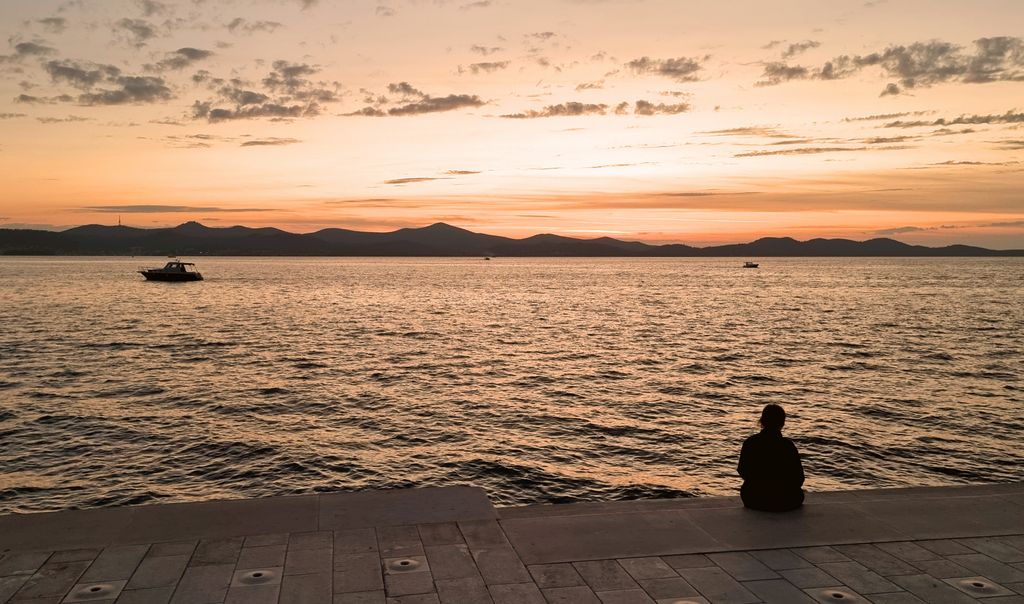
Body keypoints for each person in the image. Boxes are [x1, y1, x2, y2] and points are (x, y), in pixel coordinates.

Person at [737, 404, 805, 511]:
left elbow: (742, 470)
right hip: (784, 501)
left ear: (762, 421)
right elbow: (799, 478)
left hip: (754, 499)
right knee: (799, 495)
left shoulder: (750, 442)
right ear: (782, 423)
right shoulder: (787, 446)